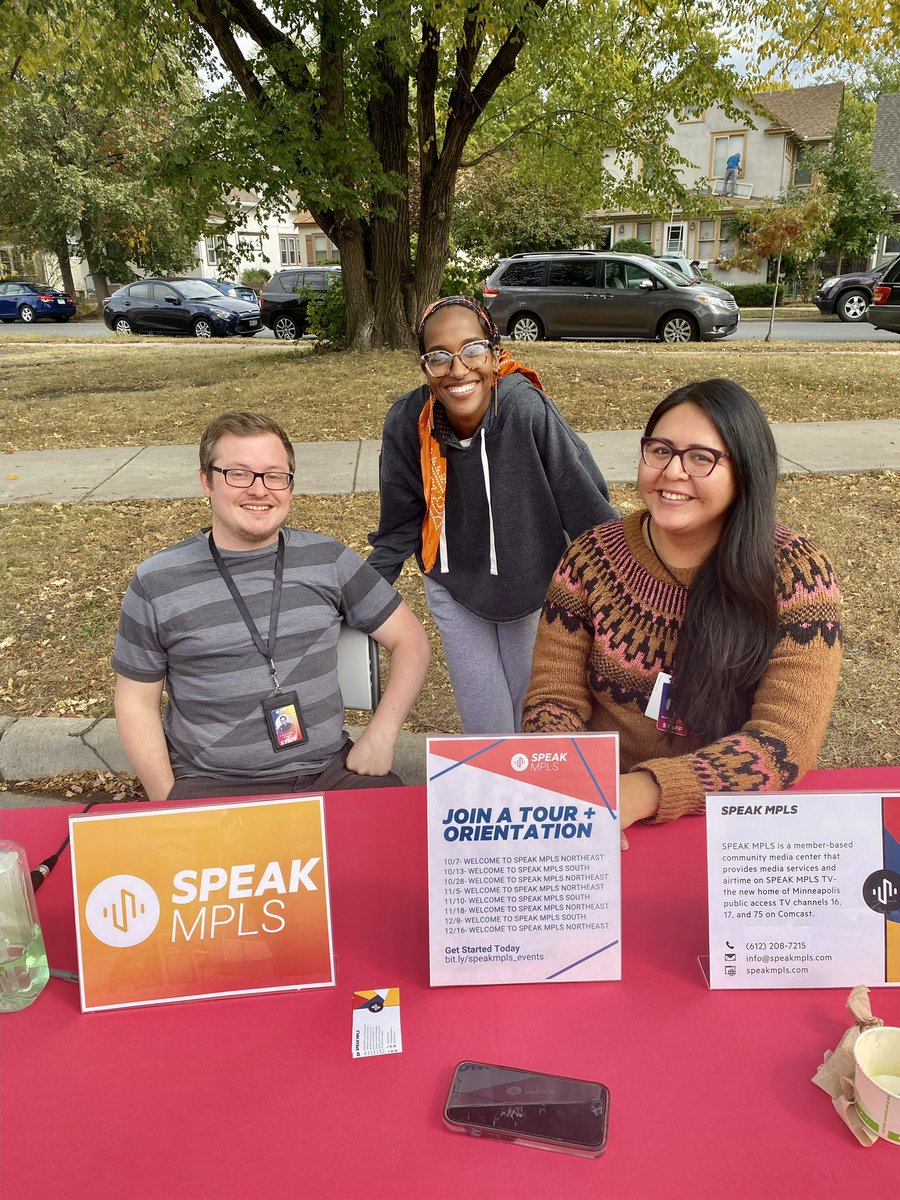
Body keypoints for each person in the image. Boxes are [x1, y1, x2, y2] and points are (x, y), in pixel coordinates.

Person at [522, 378, 842, 834]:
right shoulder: (589, 558)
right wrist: (572, 788)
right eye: (660, 450)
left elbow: (783, 741)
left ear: (745, 470)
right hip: (600, 811)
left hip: (733, 824)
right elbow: (553, 699)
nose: (673, 472)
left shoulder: (796, 575)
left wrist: (646, 790)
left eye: (701, 457)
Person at [113, 411, 431, 801]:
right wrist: (167, 800)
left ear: (289, 485)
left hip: (328, 774)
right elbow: (135, 701)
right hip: (211, 783)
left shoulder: (328, 559)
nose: (259, 490)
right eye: (239, 474)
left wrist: (381, 735)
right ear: (206, 482)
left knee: (404, 847)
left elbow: (411, 641)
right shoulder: (158, 581)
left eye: (274, 476)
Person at [367, 296, 617, 734]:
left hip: (533, 584)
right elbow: (400, 521)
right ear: (424, 367)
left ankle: (541, 797)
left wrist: (624, 589)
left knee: (537, 713)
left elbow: (587, 507)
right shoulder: (409, 422)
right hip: (454, 582)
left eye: (472, 350)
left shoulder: (526, 410)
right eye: (439, 357)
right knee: (486, 721)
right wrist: (360, 596)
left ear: (495, 352)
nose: (458, 369)